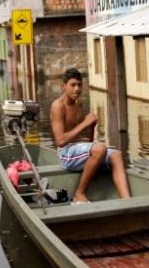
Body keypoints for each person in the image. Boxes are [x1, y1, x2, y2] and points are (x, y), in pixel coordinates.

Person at [50, 67, 131, 203]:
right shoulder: (58, 106)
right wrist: (85, 123)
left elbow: (88, 142)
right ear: (63, 86)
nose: (77, 89)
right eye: (73, 85)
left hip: (78, 150)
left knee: (116, 155)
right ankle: (79, 194)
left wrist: (91, 127)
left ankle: (127, 201)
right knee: (100, 148)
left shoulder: (78, 104)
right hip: (65, 154)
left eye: (79, 85)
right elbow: (60, 141)